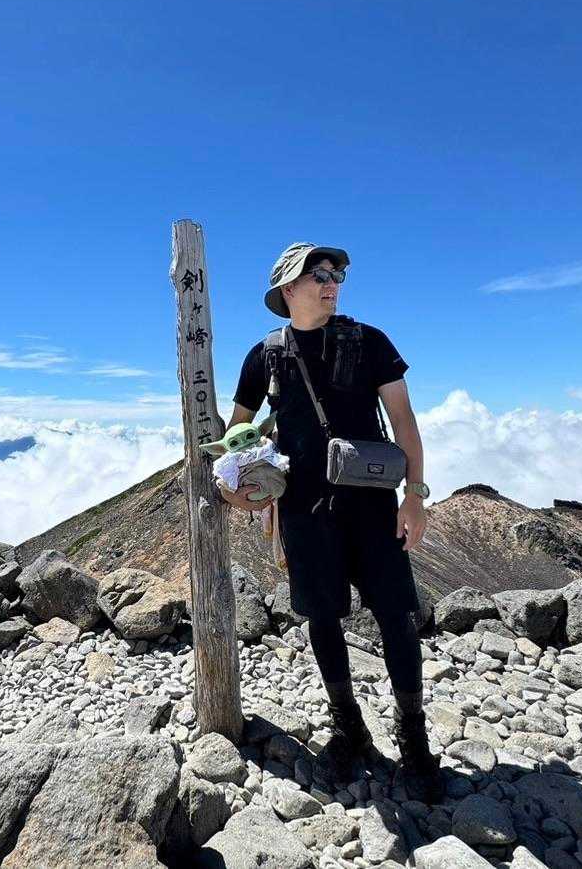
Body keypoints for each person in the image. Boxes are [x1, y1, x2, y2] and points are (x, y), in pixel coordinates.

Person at [219, 241, 443, 803]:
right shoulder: (264, 357)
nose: (332, 282)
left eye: (336, 273)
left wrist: (414, 497)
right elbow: (236, 433)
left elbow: (404, 420)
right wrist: (235, 487)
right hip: (302, 510)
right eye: (317, 273)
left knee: (396, 616)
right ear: (287, 289)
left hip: (372, 505)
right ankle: (349, 727)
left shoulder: (369, 343)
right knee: (322, 618)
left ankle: (413, 737)